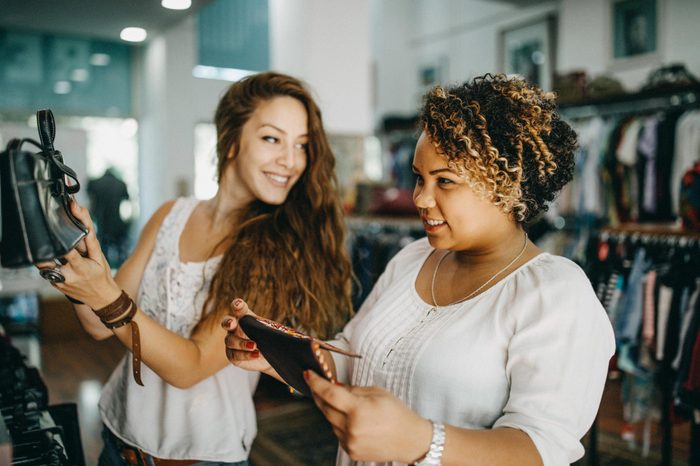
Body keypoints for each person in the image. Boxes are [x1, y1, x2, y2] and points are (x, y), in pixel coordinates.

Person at [224, 73, 615, 466]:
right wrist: (279, 354)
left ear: (506, 186)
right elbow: (353, 361)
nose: (420, 199)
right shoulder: (412, 259)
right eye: (419, 177)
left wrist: (422, 441)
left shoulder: (555, 294)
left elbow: (541, 448)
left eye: (444, 181)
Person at [41, 71, 353, 466]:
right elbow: (99, 323)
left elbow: (189, 367)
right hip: (118, 443)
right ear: (232, 140)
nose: (290, 161)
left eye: (302, 145)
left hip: (202, 458)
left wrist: (105, 294)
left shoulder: (275, 251)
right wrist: (81, 260)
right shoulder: (172, 214)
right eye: (272, 138)